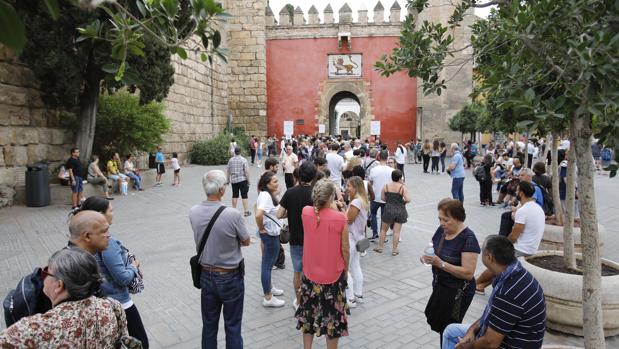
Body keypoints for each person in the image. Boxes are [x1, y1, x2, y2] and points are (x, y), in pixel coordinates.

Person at [0, 248, 131, 348]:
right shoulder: (112, 306)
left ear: (59, 285)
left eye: (46, 272)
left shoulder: (33, 328)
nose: (42, 277)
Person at [442, 235, 546, 349]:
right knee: (451, 331)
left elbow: (490, 344)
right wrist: (472, 330)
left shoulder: (508, 293)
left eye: (482, 252)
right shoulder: (515, 272)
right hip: (507, 334)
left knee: (457, 342)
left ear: (489, 257)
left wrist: (466, 347)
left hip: (511, 344)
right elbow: (491, 314)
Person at [189, 170, 250, 349]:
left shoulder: (193, 212)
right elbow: (245, 240)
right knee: (232, 326)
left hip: (206, 275)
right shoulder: (232, 214)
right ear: (222, 190)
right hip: (230, 276)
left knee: (209, 325)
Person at [79, 197, 149, 348]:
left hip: (103, 301)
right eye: (111, 210)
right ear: (100, 215)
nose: (113, 213)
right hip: (120, 302)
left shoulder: (87, 239)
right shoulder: (108, 243)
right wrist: (133, 266)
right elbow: (122, 278)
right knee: (141, 343)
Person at [297, 179, 349, 349]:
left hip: (309, 274)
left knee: (308, 317)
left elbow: (317, 213)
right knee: (332, 321)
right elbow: (345, 249)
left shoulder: (306, 212)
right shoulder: (340, 218)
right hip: (333, 276)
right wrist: (346, 269)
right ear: (331, 198)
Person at [421, 199, 480, 347]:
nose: (442, 223)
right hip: (441, 287)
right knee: (440, 323)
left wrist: (439, 263)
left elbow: (468, 273)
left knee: (449, 327)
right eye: (440, 219)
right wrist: (425, 257)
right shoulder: (442, 231)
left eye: (446, 220)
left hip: (458, 292)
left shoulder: (468, 238)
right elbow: (431, 249)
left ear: (458, 218)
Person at [476, 181, 545, 293]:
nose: (516, 192)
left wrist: (501, 244)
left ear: (521, 193)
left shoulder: (523, 210)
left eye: (517, 190)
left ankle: (476, 283)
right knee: (502, 264)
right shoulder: (537, 208)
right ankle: (481, 285)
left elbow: (514, 236)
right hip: (532, 246)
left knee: (494, 258)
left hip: (523, 248)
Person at [278, 162, 316, 310]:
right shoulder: (315, 193)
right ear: (313, 176)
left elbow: (279, 214)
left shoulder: (290, 192)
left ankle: (299, 302)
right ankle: (311, 299)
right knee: (311, 270)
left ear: (299, 175)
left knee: (297, 271)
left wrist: (292, 212)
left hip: (295, 239)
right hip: (313, 239)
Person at [255, 171, 286, 307]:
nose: (277, 183)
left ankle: (270, 288)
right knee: (267, 266)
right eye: (274, 182)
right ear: (267, 184)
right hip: (269, 235)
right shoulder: (266, 196)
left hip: (272, 233)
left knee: (269, 263)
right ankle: (268, 297)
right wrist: (262, 229)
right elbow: (258, 214)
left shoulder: (268, 195)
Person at [345, 176, 369, 307]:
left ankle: (350, 298)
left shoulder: (356, 203)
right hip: (358, 238)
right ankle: (358, 294)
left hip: (351, 238)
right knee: (355, 266)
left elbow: (348, 220)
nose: (346, 188)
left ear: (355, 187)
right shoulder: (362, 201)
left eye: (349, 186)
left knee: (345, 268)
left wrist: (340, 211)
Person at [373, 170, 410, 255]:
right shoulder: (402, 187)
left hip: (388, 209)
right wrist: (402, 202)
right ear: (400, 178)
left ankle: (380, 247)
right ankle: (394, 250)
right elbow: (408, 199)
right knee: (396, 232)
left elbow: (382, 198)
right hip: (400, 210)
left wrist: (389, 201)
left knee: (383, 230)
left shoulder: (386, 186)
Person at [368, 150, 394, 241]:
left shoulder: (374, 169)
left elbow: (370, 182)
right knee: (384, 217)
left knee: (373, 214)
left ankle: (375, 233)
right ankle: (383, 235)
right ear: (387, 158)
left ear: (378, 157)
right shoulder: (392, 170)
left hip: (375, 196)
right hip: (386, 197)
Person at [227, 147, 251, 217]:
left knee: (234, 195)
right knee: (244, 196)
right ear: (240, 152)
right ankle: (246, 211)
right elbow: (246, 172)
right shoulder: (243, 160)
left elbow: (228, 170)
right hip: (242, 179)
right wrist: (248, 181)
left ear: (234, 152)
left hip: (234, 180)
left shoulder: (230, 160)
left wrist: (228, 180)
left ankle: (234, 211)